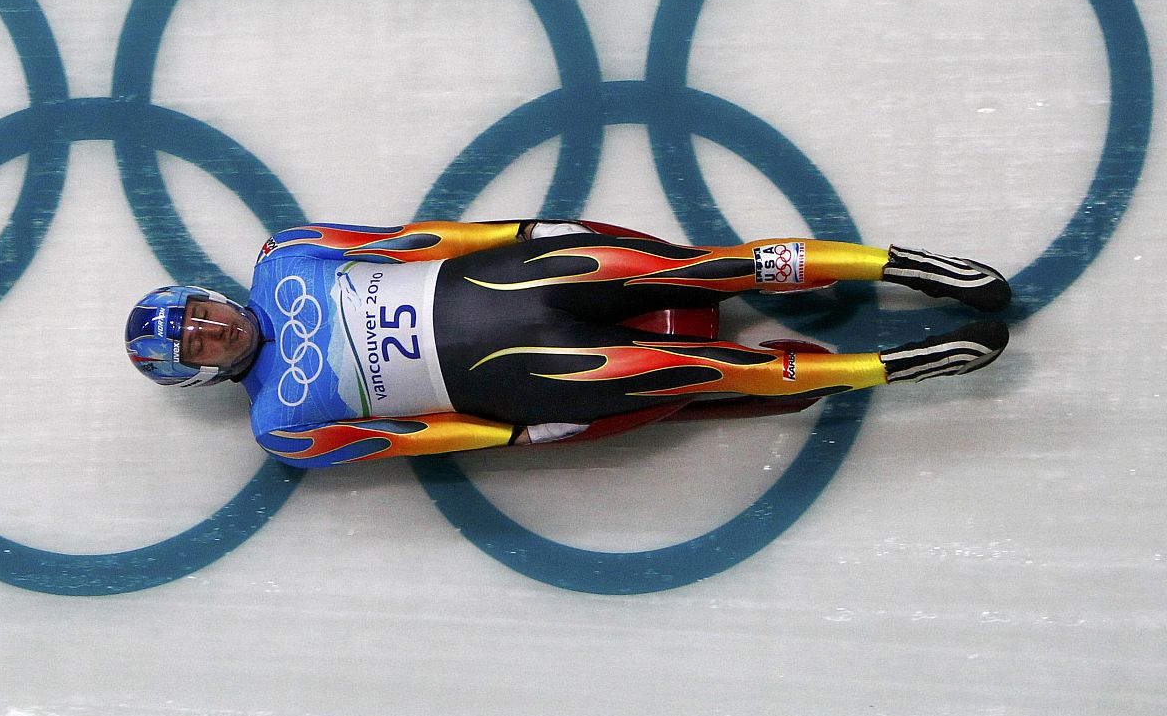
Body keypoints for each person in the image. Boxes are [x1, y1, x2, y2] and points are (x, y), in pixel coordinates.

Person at [125, 219, 1010, 468]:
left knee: (705, 269)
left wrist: (522, 228)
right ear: (201, 375)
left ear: (206, 294)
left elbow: (416, 241)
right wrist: (516, 435)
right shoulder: (280, 427)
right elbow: (411, 437)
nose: (212, 330)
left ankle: (900, 262)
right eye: (199, 346)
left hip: (515, 279)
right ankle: (891, 366)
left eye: (199, 315)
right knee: (694, 370)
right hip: (517, 378)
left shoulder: (284, 255)